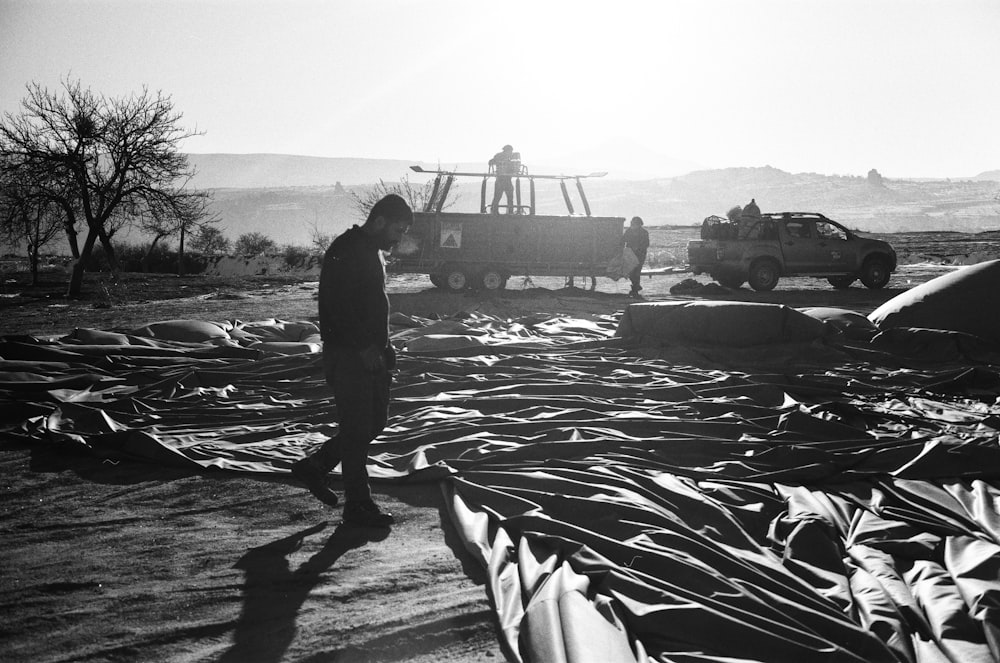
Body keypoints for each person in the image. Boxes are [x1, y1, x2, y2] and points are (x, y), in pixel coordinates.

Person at [291, 194, 413, 528]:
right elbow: (336, 308)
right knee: (358, 428)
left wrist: (384, 348)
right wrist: (362, 348)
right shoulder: (346, 249)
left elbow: (372, 306)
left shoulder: (371, 251)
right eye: (397, 229)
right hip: (349, 354)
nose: (399, 237)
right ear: (379, 222)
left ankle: (315, 466)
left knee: (374, 423)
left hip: (372, 353)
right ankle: (358, 504)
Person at [622, 216, 650, 297]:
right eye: (632, 223)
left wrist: (638, 247)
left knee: (637, 272)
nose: (633, 225)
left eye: (635, 223)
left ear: (639, 224)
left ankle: (635, 289)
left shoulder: (644, 232)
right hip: (630, 254)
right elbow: (623, 240)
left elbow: (647, 244)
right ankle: (636, 286)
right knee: (630, 271)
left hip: (640, 255)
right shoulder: (629, 231)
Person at [488, 144, 518, 214]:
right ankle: (496, 212)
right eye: (510, 151)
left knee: (506, 198)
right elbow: (490, 162)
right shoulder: (499, 156)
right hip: (501, 180)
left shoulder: (511, 158)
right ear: (507, 151)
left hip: (505, 180)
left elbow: (514, 168)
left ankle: (507, 212)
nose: (511, 153)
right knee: (499, 197)